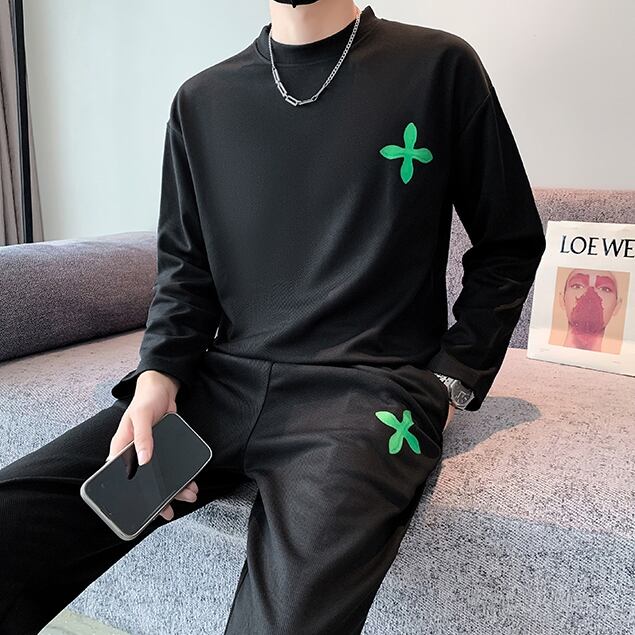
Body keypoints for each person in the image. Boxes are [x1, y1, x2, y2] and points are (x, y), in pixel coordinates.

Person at [0, 1, 547, 633]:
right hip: (221, 385)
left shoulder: (438, 67)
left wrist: (450, 381)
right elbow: (186, 271)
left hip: (365, 397)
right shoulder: (202, 101)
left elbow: (510, 243)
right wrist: (157, 379)